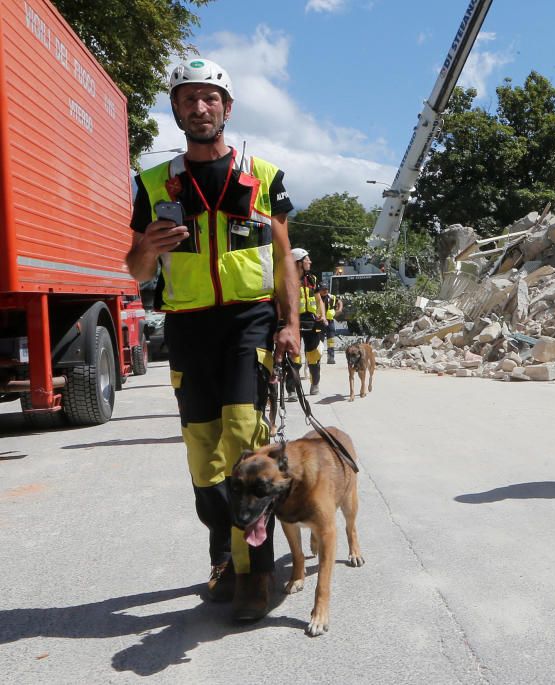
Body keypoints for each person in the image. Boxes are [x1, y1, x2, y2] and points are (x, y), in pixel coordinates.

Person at [125, 57, 298, 620]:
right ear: (175, 109)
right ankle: (223, 556)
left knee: (246, 441)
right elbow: (135, 271)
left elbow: (282, 258)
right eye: (187, 99)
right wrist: (149, 248)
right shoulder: (153, 184)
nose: (199, 108)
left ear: (227, 108)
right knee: (203, 454)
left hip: (249, 322)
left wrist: (291, 324)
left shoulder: (264, 176)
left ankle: (256, 575)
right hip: (188, 326)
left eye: (209, 98)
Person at [289, 249, 326, 394]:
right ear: (298, 262)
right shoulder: (287, 280)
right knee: (294, 356)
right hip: (294, 322)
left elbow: (319, 300)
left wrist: (322, 315)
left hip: (311, 322)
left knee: (314, 355)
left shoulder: (312, 279)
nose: (310, 262)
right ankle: (291, 388)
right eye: (307, 259)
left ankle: (314, 384)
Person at [317, 283, 343, 364]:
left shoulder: (331, 297)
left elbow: (339, 301)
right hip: (319, 322)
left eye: (327, 289)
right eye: (323, 289)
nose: (325, 291)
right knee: (318, 341)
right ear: (319, 290)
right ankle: (317, 358)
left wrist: (339, 309)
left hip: (330, 321)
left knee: (331, 340)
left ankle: (331, 358)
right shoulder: (316, 297)